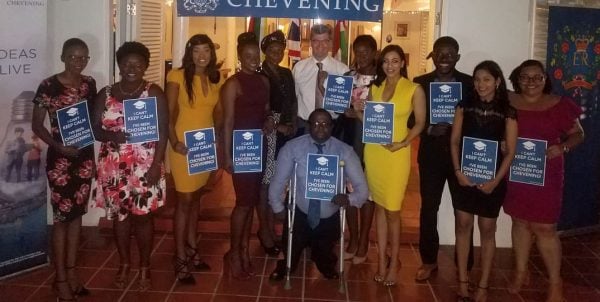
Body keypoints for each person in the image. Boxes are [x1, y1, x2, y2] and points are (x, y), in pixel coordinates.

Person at [504, 60, 584, 302]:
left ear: (544, 79)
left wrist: (563, 147)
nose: (531, 82)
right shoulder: (508, 101)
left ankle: (555, 283)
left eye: (537, 77)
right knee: (519, 222)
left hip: (547, 173)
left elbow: (578, 134)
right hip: (517, 171)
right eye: (525, 77)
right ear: (517, 79)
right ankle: (520, 273)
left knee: (545, 227)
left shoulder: (558, 104)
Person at [92, 41, 168, 292]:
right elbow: (96, 129)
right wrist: (113, 137)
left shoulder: (153, 91)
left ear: (145, 66)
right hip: (114, 166)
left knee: (144, 218)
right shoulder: (105, 93)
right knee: (120, 218)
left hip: (146, 165)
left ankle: (144, 266)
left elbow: (163, 131)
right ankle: (124, 263)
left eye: (137, 63)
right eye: (126, 63)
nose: (131, 67)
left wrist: (157, 164)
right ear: (119, 65)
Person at [354, 44, 426, 287]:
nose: (390, 65)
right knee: (380, 209)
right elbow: (371, 123)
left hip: (397, 155)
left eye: (395, 61)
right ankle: (381, 263)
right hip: (374, 153)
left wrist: (403, 142)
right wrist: (357, 111)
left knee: (393, 211)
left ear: (402, 63)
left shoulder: (414, 89)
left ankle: (394, 262)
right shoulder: (376, 87)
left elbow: (420, 124)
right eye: (386, 61)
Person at [31, 37, 97, 301]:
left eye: (83, 58)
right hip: (60, 160)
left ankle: (72, 274)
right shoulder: (48, 86)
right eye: (73, 57)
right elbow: (37, 126)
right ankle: (60, 279)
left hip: (84, 157)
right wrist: (57, 145)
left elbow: (93, 118)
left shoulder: (90, 84)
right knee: (61, 220)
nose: (78, 62)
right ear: (63, 57)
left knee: (77, 216)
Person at [268, 109, 368, 280]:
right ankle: (286, 265)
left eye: (325, 124)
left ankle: (325, 263)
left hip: (329, 213)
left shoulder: (344, 151)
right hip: (300, 211)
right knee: (291, 248)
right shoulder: (293, 148)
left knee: (325, 252)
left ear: (331, 126)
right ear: (308, 125)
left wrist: (349, 198)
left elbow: (362, 189)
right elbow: (278, 181)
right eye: (315, 123)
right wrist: (277, 208)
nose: (320, 128)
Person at [450, 60, 517, 301]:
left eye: (487, 79)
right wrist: (457, 171)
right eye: (477, 79)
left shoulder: (508, 112)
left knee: (488, 230)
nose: (481, 84)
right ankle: (463, 282)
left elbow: (510, 151)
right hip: (464, 177)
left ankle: (484, 285)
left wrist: (496, 181)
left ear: (498, 82)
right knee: (463, 226)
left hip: (493, 180)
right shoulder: (463, 106)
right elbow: (455, 141)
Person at [412, 36, 476, 281]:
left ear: (458, 57)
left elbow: (478, 117)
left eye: (450, 54)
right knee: (429, 209)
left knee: (464, 211)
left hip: (461, 157)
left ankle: (465, 264)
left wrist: (460, 127)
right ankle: (428, 260)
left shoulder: (470, 84)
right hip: (430, 157)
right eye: (440, 53)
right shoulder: (420, 83)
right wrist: (428, 128)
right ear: (432, 55)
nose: (445, 58)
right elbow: (409, 120)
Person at [166, 34, 221, 284]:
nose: (202, 55)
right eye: (197, 50)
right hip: (183, 147)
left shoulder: (215, 77)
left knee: (197, 198)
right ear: (189, 53)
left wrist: (217, 141)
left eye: (206, 50)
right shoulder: (176, 76)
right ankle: (179, 257)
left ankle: (191, 247)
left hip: (204, 148)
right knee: (184, 200)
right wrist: (174, 142)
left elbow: (216, 113)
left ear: (212, 53)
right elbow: (168, 114)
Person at [221, 32, 273, 279]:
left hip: (259, 147)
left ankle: (243, 249)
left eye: (256, 56)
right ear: (240, 58)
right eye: (248, 56)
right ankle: (235, 252)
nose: (253, 60)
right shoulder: (233, 83)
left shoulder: (264, 82)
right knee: (242, 203)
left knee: (251, 201)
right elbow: (228, 121)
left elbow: (265, 112)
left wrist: (268, 123)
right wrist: (227, 155)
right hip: (241, 149)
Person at [256, 30, 298, 256]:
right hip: (269, 131)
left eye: (280, 50)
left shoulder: (286, 72)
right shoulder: (260, 73)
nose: (277, 53)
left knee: (279, 182)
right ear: (265, 51)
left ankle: (275, 228)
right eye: (272, 50)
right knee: (265, 183)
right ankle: (265, 231)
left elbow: (292, 101)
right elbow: (259, 106)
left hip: (287, 132)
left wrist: (292, 125)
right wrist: (277, 123)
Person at [341, 34, 378, 264]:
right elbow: (338, 106)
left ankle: (364, 241)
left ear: (375, 53)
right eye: (358, 51)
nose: (362, 56)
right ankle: (352, 239)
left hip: (372, 144)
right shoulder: (347, 77)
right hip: (350, 141)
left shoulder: (383, 79)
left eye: (366, 51)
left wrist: (359, 113)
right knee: (350, 191)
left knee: (368, 194)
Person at [292, 24, 349, 136]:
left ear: (330, 43)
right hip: (304, 127)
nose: (320, 45)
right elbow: (294, 98)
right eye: (316, 41)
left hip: (332, 128)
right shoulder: (299, 68)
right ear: (311, 43)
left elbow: (342, 107)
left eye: (325, 41)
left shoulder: (342, 70)